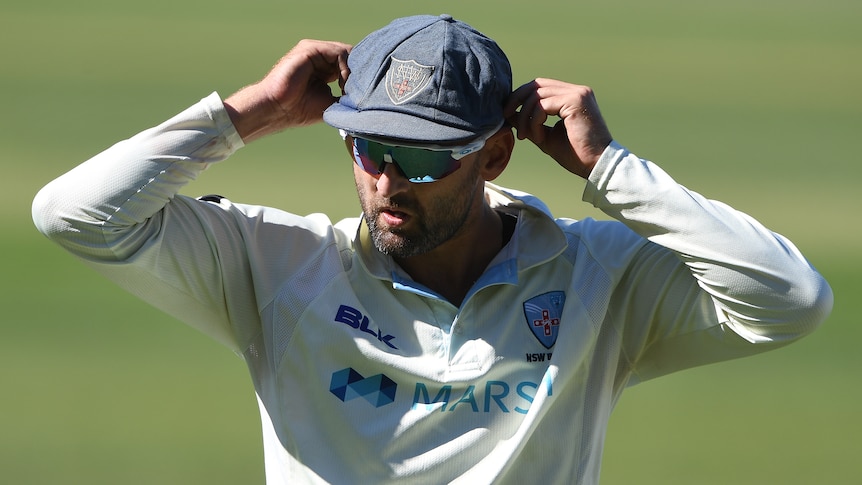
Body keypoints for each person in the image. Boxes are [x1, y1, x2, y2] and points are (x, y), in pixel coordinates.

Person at [32, 14, 832, 484]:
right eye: (367, 148)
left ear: (493, 157)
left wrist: (611, 171)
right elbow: (73, 214)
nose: (386, 181)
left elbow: (791, 299)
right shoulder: (278, 265)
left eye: (420, 158)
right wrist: (252, 113)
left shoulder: (596, 273)